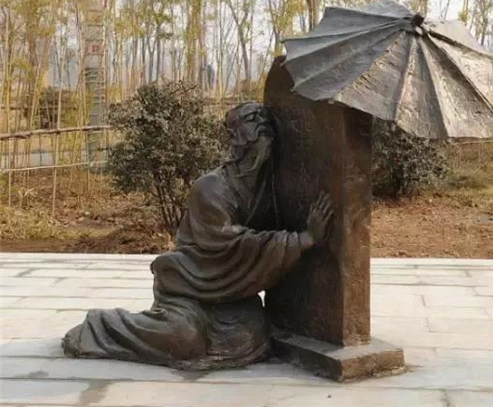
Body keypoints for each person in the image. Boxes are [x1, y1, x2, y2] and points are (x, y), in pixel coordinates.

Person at [62, 102, 334, 370]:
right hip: (189, 287)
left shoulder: (267, 190)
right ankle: (102, 325)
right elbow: (230, 244)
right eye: (253, 144)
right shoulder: (211, 188)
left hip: (229, 293)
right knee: (185, 338)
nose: (262, 152)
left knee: (253, 334)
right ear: (236, 144)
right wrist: (302, 240)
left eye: (266, 143)